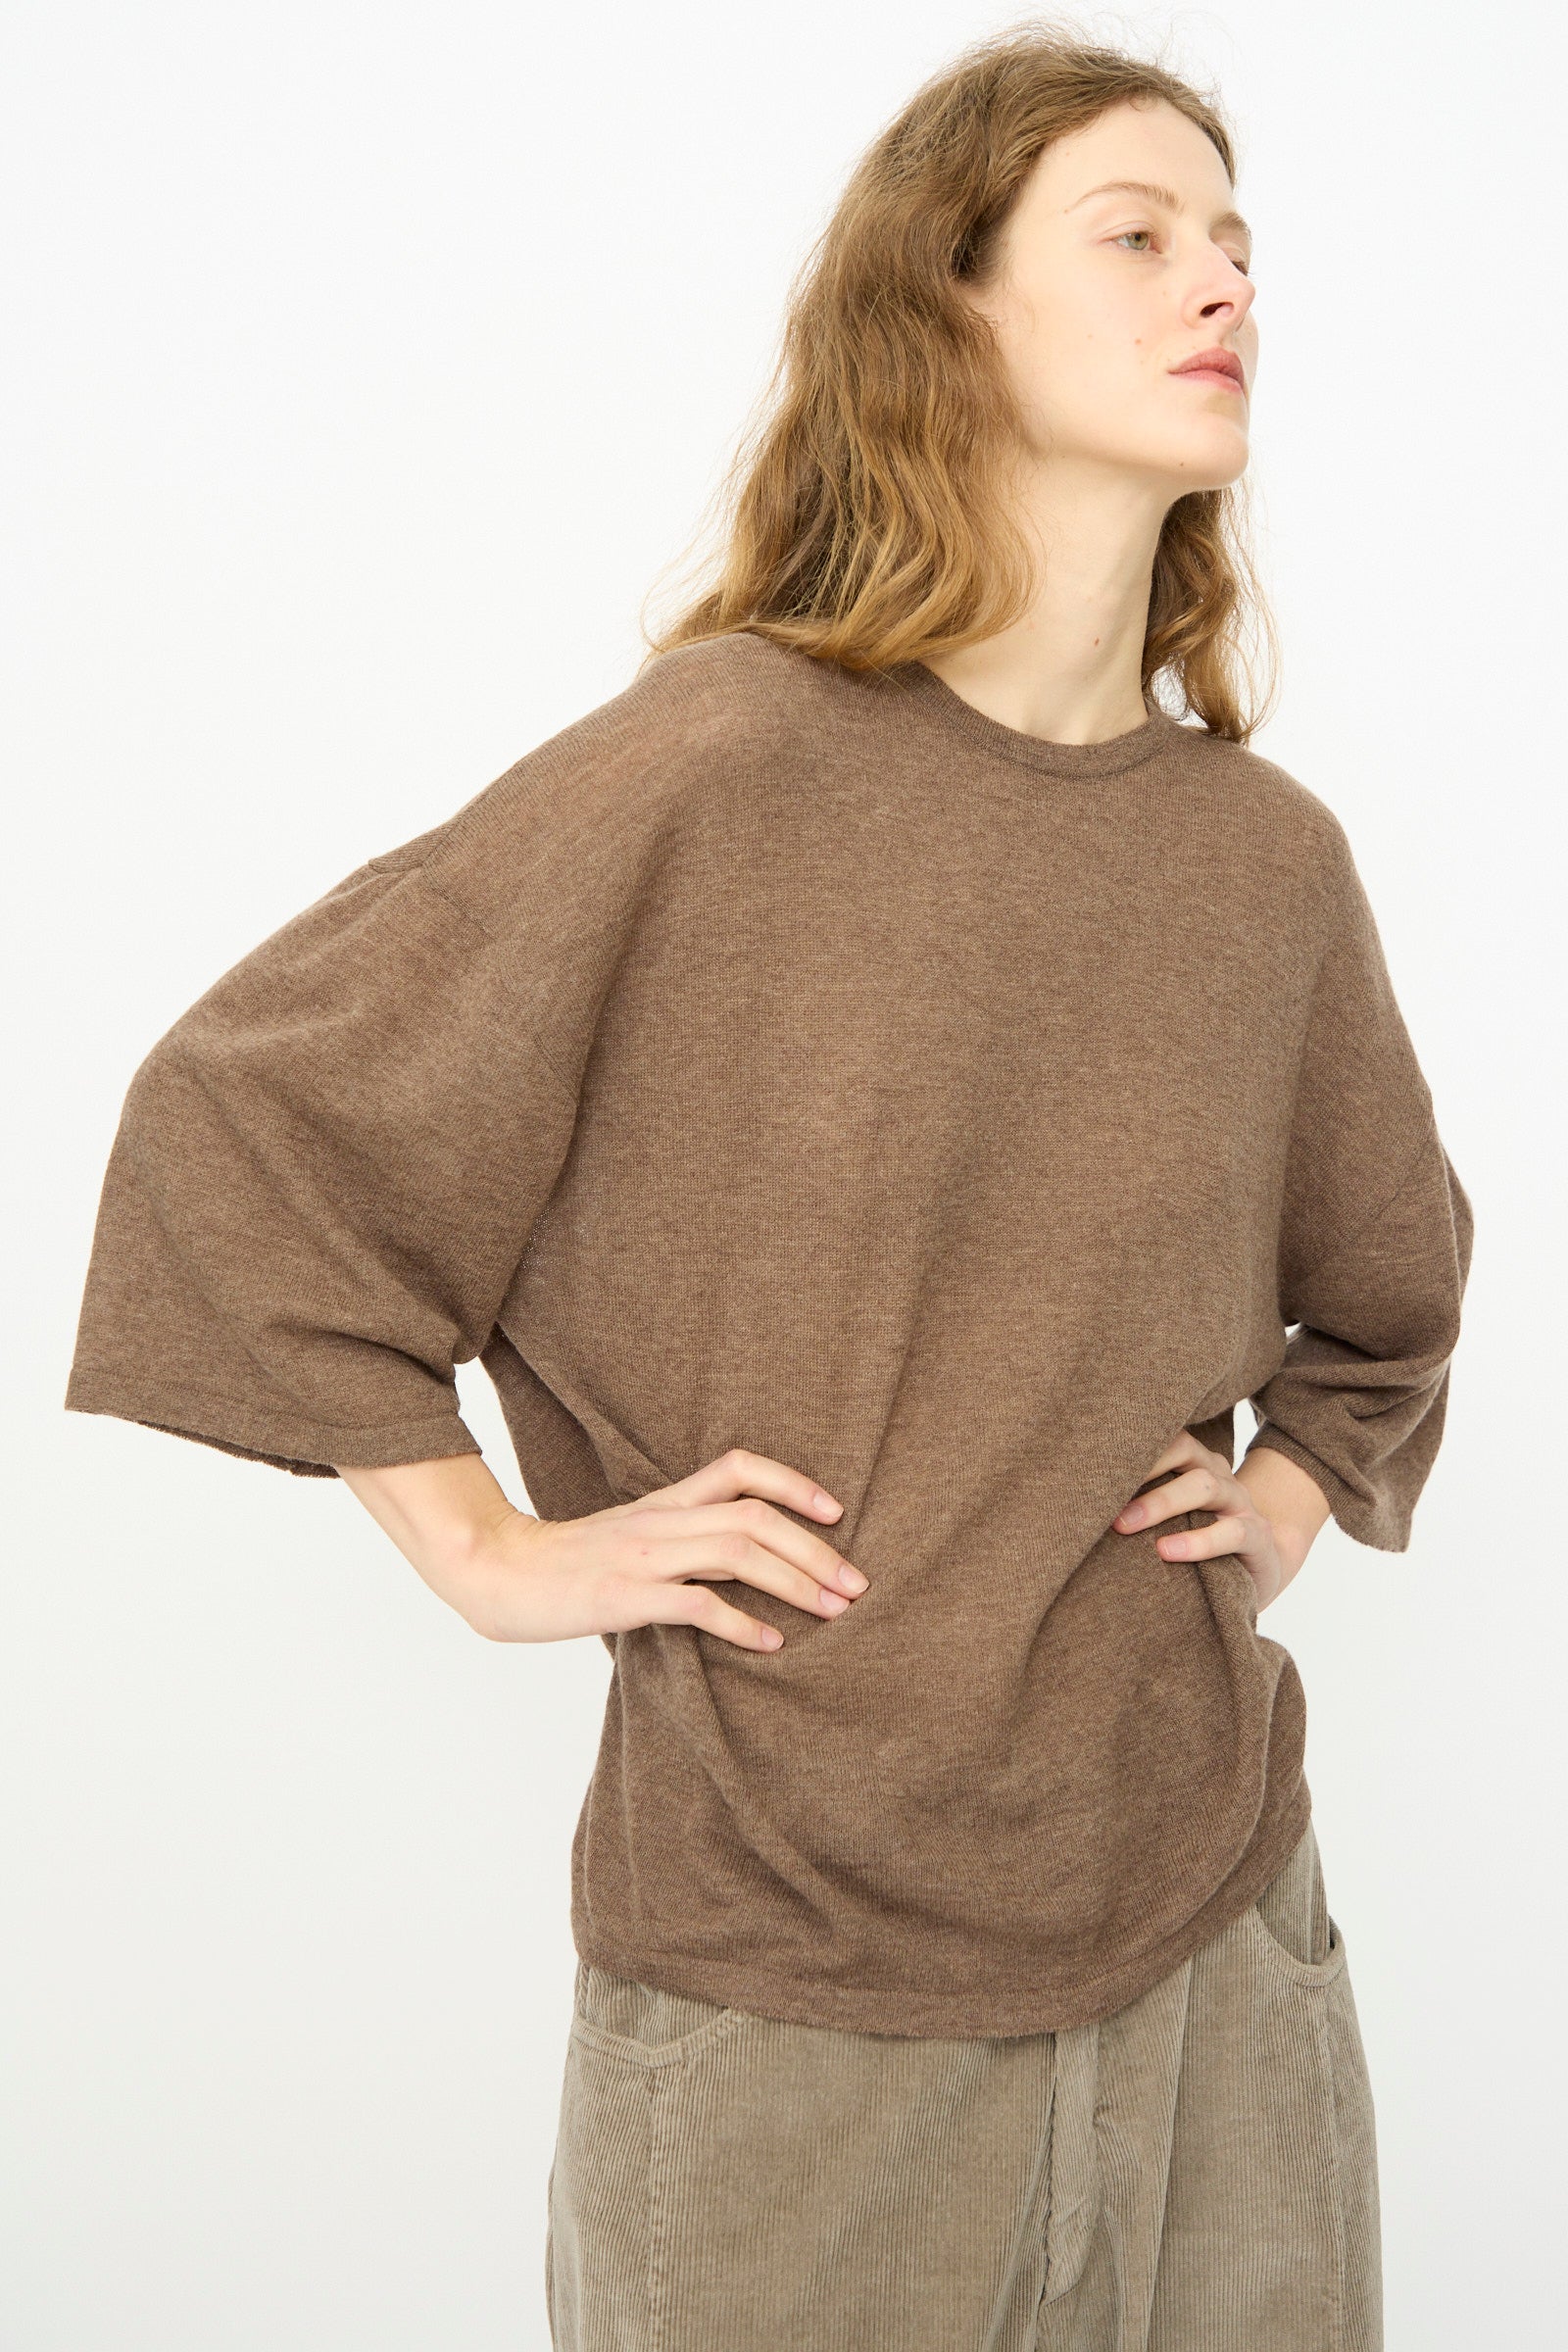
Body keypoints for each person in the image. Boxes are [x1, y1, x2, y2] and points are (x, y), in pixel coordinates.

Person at [65, 24, 1472, 2351]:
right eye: (1132, 236)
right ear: (942, 318)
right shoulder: (719, 764)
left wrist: (1308, 1483)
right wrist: (492, 1551)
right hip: (787, 1973)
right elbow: (245, 1126)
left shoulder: (1263, 864)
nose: (1218, 281)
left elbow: (1384, 1294)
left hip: (1216, 1937)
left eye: (1234, 242)